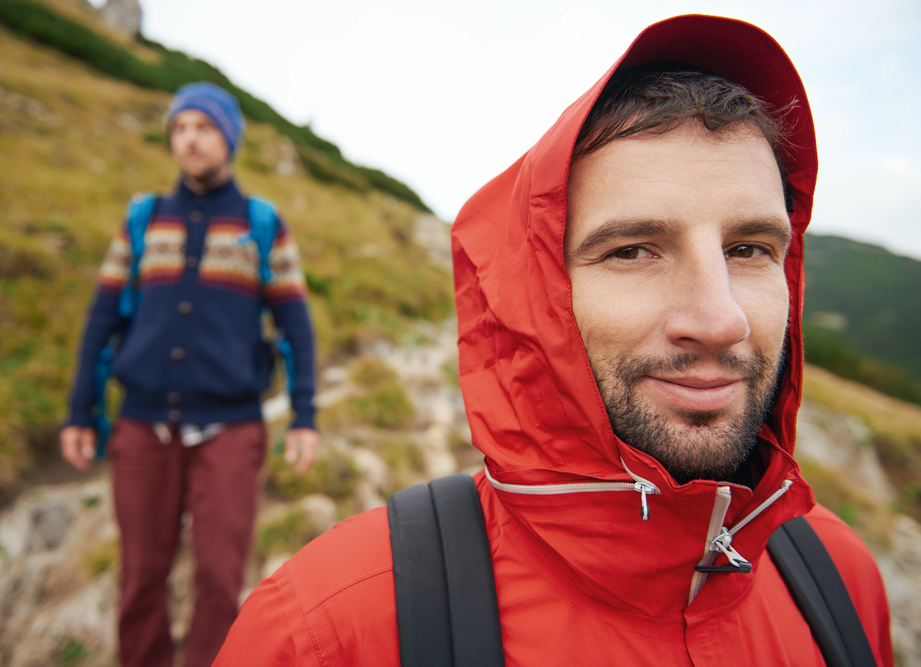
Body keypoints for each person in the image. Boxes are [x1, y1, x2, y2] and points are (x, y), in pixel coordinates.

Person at [213, 15, 893, 666]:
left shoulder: (843, 578)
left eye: (749, 248)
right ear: (542, 297)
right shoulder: (326, 633)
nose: (720, 321)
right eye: (633, 251)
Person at [60, 82, 320, 667]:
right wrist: (82, 411)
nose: (189, 138)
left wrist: (305, 416)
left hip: (230, 430)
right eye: (179, 128)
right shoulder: (142, 220)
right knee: (140, 580)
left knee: (220, 583)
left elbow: (296, 326)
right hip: (142, 428)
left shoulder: (262, 223)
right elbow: (102, 319)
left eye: (203, 127)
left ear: (227, 138)